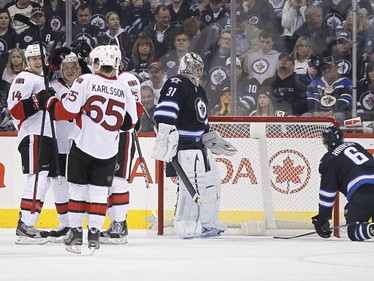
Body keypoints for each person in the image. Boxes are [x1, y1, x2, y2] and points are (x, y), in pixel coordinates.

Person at [42, 45, 138, 254]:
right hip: (109, 150)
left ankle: (77, 234)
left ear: (96, 63)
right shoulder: (124, 86)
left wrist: (50, 102)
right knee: (99, 192)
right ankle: (94, 234)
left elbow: (67, 110)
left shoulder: (85, 80)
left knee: (77, 190)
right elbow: (130, 124)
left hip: (83, 145)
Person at [152, 52, 234, 238]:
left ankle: (208, 221)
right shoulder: (177, 83)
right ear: (186, 66)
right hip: (184, 145)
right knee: (192, 186)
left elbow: (201, 119)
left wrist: (209, 137)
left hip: (199, 146)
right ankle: (186, 224)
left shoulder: (199, 89)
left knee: (212, 182)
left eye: (200, 67)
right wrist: (166, 137)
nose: (198, 70)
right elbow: (164, 113)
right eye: (195, 67)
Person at [7, 44, 55, 244]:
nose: (37, 61)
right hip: (33, 134)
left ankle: (27, 221)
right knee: (37, 178)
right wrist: (37, 101)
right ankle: (25, 225)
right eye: (33, 58)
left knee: (44, 179)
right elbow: (15, 110)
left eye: (40, 58)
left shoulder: (41, 78)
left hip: (44, 135)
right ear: (28, 60)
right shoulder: (24, 78)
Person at [99, 68, 142, 244]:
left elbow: (136, 113)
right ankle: (114, 223)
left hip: (123, 134)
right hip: (102, 135)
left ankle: (120, 223)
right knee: (106, 181)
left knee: (118, 179)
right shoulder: (96, 79)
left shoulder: (129, 79)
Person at [312, 125, 374, 242]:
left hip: (362, 193)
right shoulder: (356, 145)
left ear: (326, 142)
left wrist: (323, 217)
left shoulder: (329, 159)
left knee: (353, 231)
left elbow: (328, 192)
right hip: (365, 191)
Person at [47, 51, 81, 242]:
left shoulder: (84, 85)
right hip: (58, 144)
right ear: (61, 70)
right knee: (58, 185)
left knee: (77, 186)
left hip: (79, 144)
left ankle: (76, 225)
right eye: (66, 68)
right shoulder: (53, 86)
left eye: (73, 68)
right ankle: (64, 224)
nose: (69, 71)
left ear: (78, 69)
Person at [305, 55, 352, 125]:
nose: (327, 70)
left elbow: (344, 102)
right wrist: (315, 112)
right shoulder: (315, 83)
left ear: (337, 67)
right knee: (306, 116)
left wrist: (330, 113)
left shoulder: (346, 82)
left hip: (336, 113)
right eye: (323, 68)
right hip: (318, 113)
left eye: (330, 67)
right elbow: (312, 100)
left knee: (338, 116)